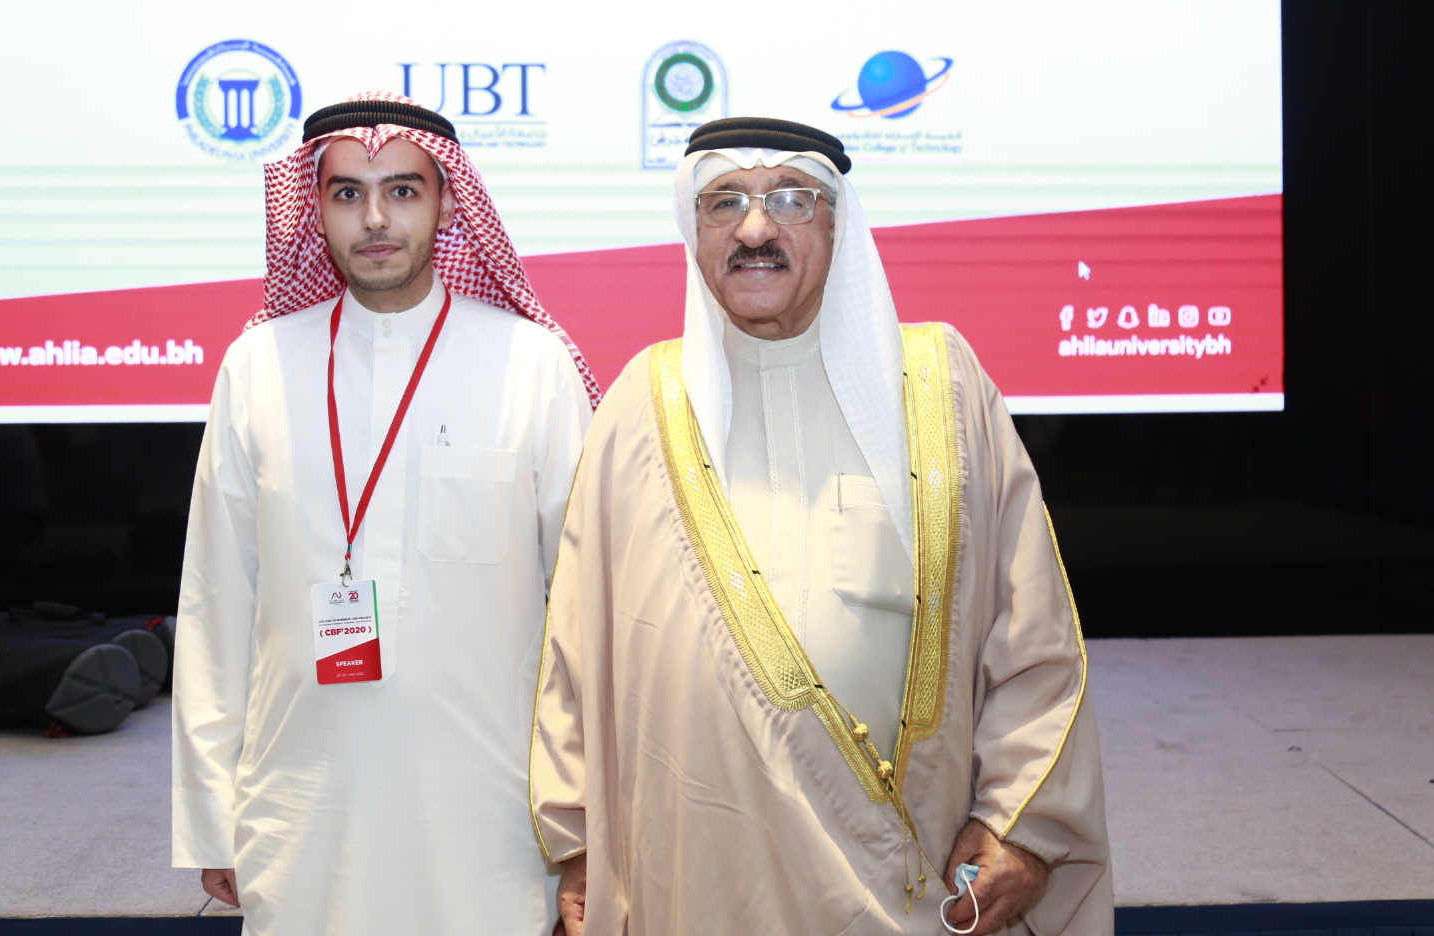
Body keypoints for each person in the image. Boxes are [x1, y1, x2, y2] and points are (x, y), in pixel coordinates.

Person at [531, 117, 1109, 936]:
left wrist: (1022, 824)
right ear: (694, 230)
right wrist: (581, 843)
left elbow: (1032, 629)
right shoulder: (641, 405)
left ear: (840, 225)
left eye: (791, 199)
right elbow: (575, 651)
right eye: (724, 201)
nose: (753, 229)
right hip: (701, 879)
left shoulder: (940, 387)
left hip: (914, 878)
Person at [173, 92, 598, 935]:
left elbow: (586, 616)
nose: (375, 218)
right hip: (299, 803)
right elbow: (216, 604)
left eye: (403, 190)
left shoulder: (533, 365)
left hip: (489, 815)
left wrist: (582, 823)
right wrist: (211, 813)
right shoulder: (257, 366)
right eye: (348, 193)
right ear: (315, 208)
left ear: (448, 204)